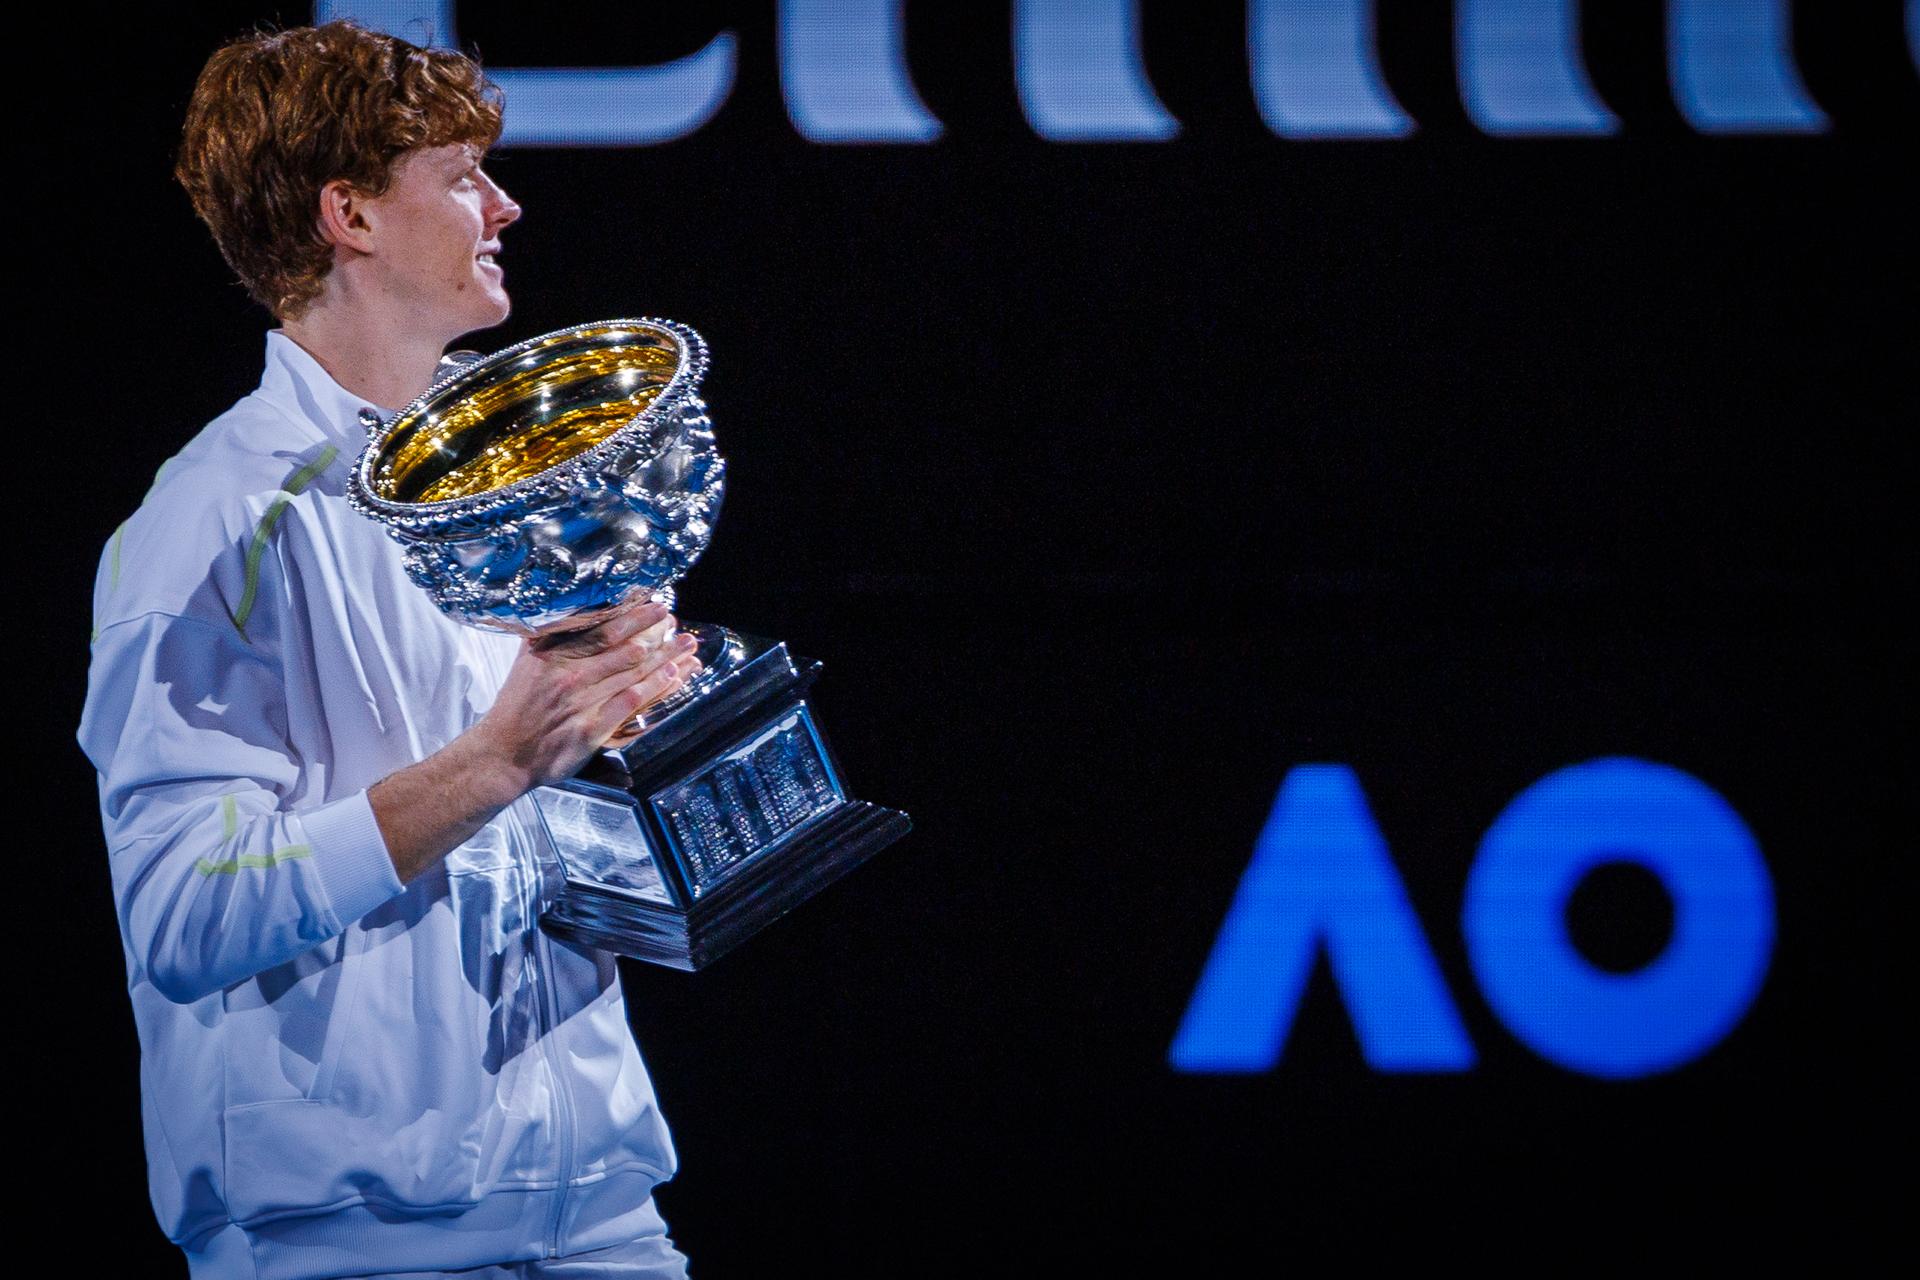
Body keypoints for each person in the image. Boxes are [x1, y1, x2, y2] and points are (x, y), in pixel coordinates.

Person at [78, 19, 702, 1278]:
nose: (506, 205)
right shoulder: (212, 525)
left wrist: (628, 734)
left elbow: (517, 824)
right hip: (351, 1248)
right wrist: (498, 760)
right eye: (464, 174)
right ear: (348, 215)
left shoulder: (505, 483)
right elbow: (184, 915)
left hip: (601, 1214)